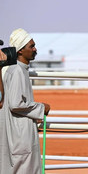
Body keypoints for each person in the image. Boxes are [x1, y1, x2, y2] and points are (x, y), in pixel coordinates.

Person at [0, 28, 51, 174]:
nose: (35, 49)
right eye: (31, 46)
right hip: (19, 134)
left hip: (18, 133)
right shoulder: (16, 71)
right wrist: (42, 108)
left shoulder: (17, 69)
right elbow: (16, 104)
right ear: (20, 51)